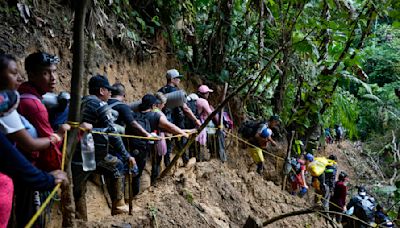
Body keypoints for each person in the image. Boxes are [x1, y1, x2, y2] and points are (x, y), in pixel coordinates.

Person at [0, 90, 68, 228]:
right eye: (13, 73)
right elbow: (27, 145)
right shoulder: (30, 105)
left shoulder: (14, 100)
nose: (18, 77)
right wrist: (57, 136)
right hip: (27, 171)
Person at [71, 75, 136, 218]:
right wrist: (126, 156)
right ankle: (119, 206)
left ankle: (80, 219)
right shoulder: (99, 105)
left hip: (74, 153)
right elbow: (112, 133)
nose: (110, 93)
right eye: (108, 90)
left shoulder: (81, 102)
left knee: (78, 189)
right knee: (117, 166)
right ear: (101, 90)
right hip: (90, 154)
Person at [127, 94, 189, 190]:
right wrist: (183, 134)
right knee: (140, 172)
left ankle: (132, 193)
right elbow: (170, 127)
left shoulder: (134, 115)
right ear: (153, 106)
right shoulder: (155, 116)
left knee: (135, 172)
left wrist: (185, 131)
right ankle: (137, 195)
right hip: (145, 148)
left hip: (131, 147)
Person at [158, 69, 200, 165]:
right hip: (175, 120)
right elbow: (185, 108)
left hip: (163, 120)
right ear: (172, 79)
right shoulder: (176, 92)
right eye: (177, 78)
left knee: (167, 145)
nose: (179, 80)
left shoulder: (161, 90)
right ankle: (184, 161)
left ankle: (166, 166)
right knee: (180, 141)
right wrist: (196, 120)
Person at [195, 85, 219, 159]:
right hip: (202, 122)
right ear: (204, 94)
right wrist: (218, 123)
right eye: (207, 93)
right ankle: (210, 153)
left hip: (195, 120)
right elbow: (211, 114)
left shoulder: (195, 99)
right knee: (210, 135)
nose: (208, 95)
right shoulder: (203, 101)